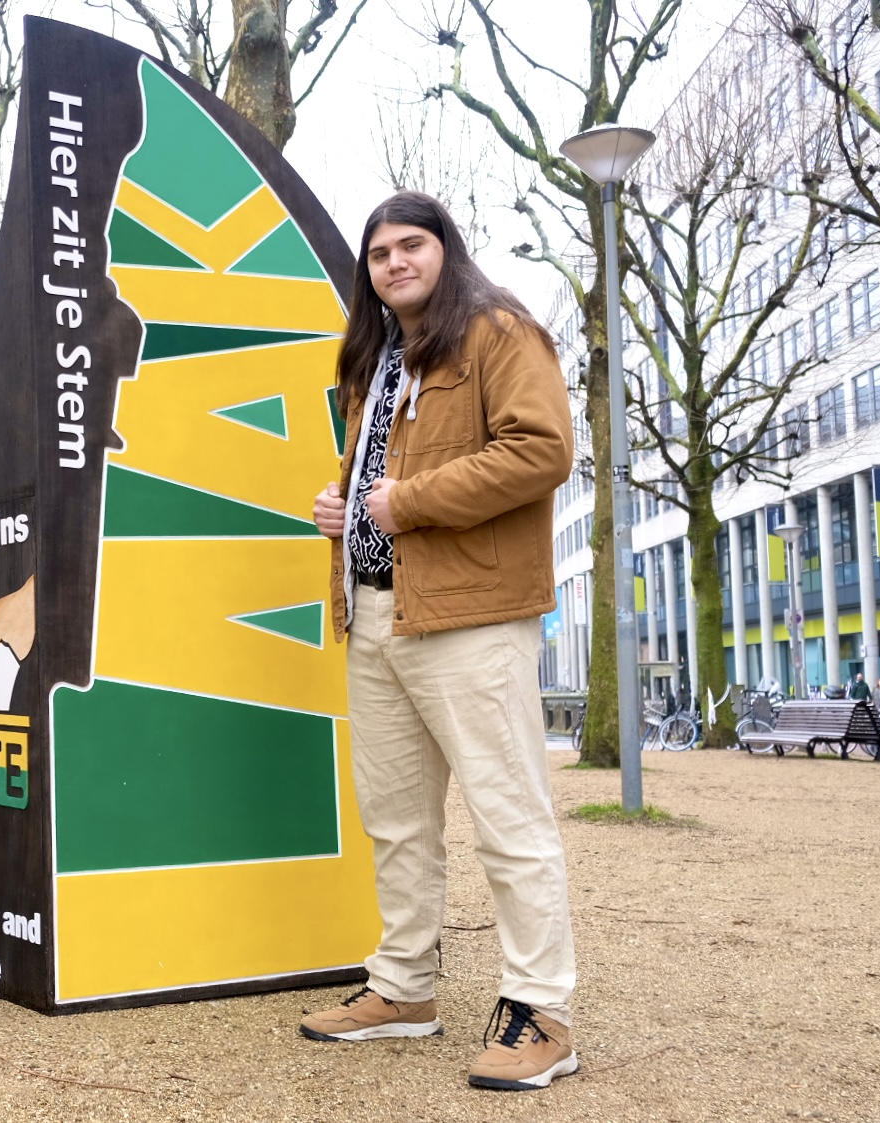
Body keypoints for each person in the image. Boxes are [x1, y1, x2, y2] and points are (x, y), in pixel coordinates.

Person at [307, 191, 578, 1091]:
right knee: (396, 822)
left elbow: (540, 450)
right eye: (379, 253)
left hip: (472, 616)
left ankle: (543, 1012)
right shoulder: (376, 358)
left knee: (510, 819)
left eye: (410, 245)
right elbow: (384, 476)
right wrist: (342, 510)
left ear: (444, 249)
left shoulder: (500, 330)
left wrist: (405, 502)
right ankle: (404, 988)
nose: (394, 262)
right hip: (373, 610)